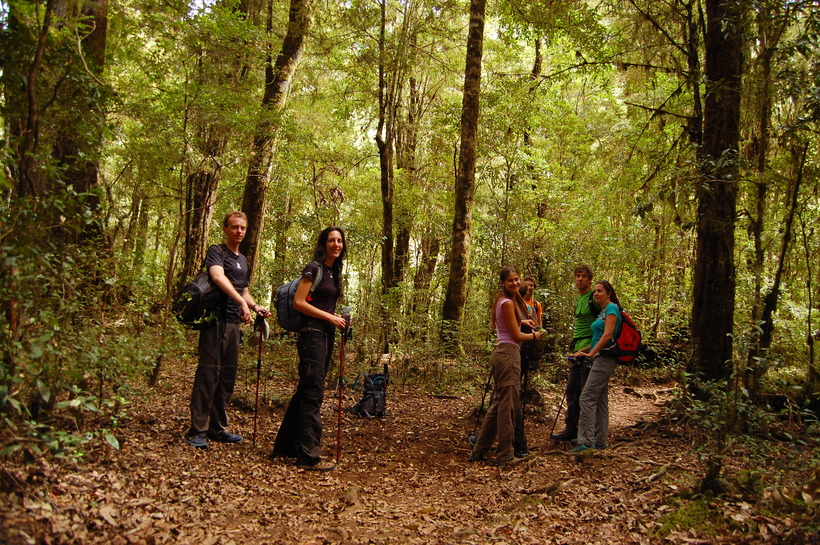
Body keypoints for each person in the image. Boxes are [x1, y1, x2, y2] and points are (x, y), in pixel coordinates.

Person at [186, 211, 271, 449]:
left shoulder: (243, 260)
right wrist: (241, 302)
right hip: (215, 323)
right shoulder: (217, 251)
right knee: (208, 375)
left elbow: (243, 289)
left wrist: (254, 306)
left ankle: (218, 428)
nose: (239, 232)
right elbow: (217, 276)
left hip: (234, 325)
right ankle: (198, 429)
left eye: (242, 228)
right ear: (225, 229)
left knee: (226, 378)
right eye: (234, 227)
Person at [271, 227, 348, 472]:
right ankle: (308, 455)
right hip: (311, 334)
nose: (336, 244)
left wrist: (335, 318)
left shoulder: (335, 271)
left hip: (326, 334)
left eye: (339, 241)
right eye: (331, 240)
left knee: (306, 389)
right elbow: (299, 302)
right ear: (323, 244)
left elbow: (322, 303)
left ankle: (284, 447)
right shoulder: (313, 268)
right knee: (313, 392)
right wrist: (329, 317)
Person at [470, 266, 545, 467]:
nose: (514, 283)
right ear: (503, 283)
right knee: (507, 407)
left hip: (504, 353)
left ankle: (480, 450)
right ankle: (505, 454)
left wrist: (525, 320)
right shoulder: (507, 303)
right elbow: (516, 336)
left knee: (497, 404)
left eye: (516, 279)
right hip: (508, 354)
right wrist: (536, 335)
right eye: (510, 280)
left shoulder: (505, 301)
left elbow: (507, 325)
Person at [569, 280, 622, 453]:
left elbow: (607, 336)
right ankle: (600, 441)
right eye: (595, 291)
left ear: (609, 293)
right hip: (597, 357)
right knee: (599, 400)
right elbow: (596, 339)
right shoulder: (602, 312)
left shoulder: (612, 308)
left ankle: (585, 442)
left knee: (586, 397)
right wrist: (582, 351)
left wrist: (591, 354)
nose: (596, 294)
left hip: (604, 358)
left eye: (600, 291)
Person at [551, 265, 600, 442]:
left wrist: (587, 350)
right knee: (572, 391)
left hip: (588, 352)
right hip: (576, 350)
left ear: (590, 279)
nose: (580, 279)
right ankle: (572, 429)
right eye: (577, 276)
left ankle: (586, 434)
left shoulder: (594, 298)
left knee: (584, 393)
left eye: (584, 276)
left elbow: (605, 325)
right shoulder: (580, 298)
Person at [514, 276, 542, 458]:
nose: (530, 289)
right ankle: (519, 444)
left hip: (522, 354)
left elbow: (539, 326)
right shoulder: (510, 305)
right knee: (507, 398)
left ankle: (519, 444)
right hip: (513, 354)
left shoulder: (534, 306)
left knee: (508, 398)